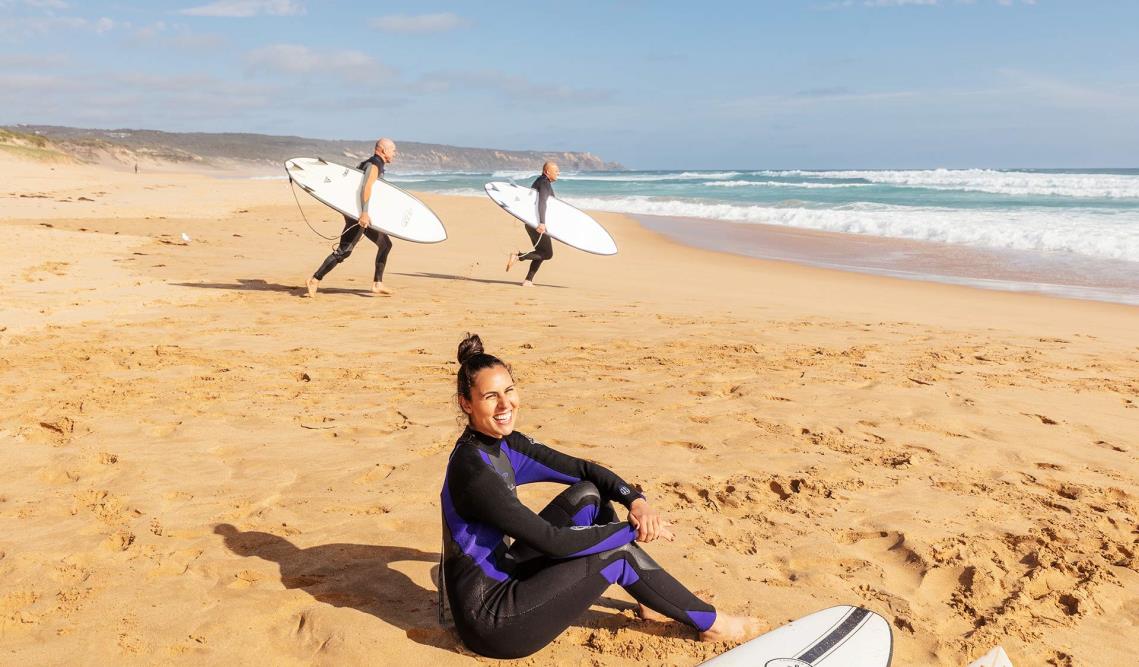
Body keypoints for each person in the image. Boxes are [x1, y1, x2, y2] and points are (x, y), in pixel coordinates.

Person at [438, 333, 763, 659]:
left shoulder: (505, 444)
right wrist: (630, 530)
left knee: (588, 496)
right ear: (467, 403)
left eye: (509, 390)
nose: (506, 404)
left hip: (508, 572)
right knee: (617, 553)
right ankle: (714, 624)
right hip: (493, 623)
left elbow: (585, 470)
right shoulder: (474, 473)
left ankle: (648, 602)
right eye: (490, 396)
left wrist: (636, 501)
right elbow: (551, 541)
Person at [306, 138, 397, 297]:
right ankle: (314, 279)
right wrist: (363, 213)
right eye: (393, 150)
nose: (395, 154)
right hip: (360, 216)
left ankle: (377, 283)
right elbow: (365, 187)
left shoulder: (368, 163)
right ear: (383, 150)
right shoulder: (375, 165)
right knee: (344, 251)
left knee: (385, 244)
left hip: (358, 214)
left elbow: (350, 187)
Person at [505, 161, 558, 287]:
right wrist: (542, 223)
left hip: (530, 223)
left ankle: (528, 280)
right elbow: (542, 203)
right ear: (547, 172)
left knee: (540, 252)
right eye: (555, 171)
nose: (558, 173)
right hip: (537, 224)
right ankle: (518, 256)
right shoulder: (545, 183)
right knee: (547, 254)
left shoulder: (539, 181)